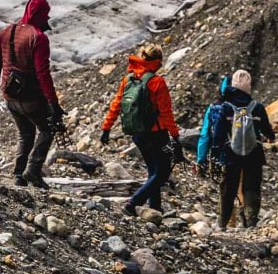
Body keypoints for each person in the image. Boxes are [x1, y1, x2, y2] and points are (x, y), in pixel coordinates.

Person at [0, 0, 62, 189]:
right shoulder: (38, 37)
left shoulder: (6, 31)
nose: (47, 18)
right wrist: (54, 104)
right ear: (41, 14)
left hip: (10, 95)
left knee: (25, 133)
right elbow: (43, 73)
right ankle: (33, 170)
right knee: (47, 129)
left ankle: (18, 175)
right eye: (46, 14)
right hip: (32, 97)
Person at [99, 43, 181, 215]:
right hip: (156, 134)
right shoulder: (157, 82)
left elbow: (116, 105)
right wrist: (175, 136)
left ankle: (155, 207)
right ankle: (133, 202)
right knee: (163, 173)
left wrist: (106, 128)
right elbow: (166, 113)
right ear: (157, 62)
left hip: (137, 133)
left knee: (153, 169)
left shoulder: (128, 79)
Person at [211, 69, 275, 230]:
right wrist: (270, 136)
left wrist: (216, 152)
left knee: (228, 188)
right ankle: (251, 221)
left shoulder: (225, 107)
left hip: (231, 153)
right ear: (248, 86)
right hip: (254, 153)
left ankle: (222, 223)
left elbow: (218, 133)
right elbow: (267, 130)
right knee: (251, 186)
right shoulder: (257, 107)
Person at [194, 74, 231, 179]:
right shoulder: (247, 108)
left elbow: (204, 136)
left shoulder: (214, 107)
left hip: (220, 154)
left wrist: (200, 161)